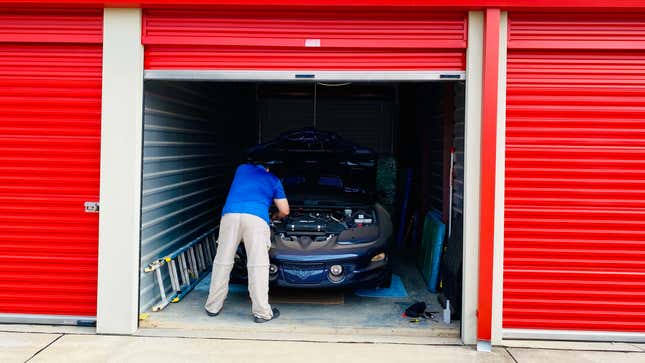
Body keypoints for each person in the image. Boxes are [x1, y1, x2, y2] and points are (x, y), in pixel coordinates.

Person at [204, 163, 290, 323]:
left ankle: (212, 307)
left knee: (222, 261)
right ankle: (262, 313)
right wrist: (275, 217)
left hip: (230, 215)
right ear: (269, 169)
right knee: (257, 265)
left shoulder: (241, 169)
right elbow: (285, 210)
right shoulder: (273, 179)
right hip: (256, 219)